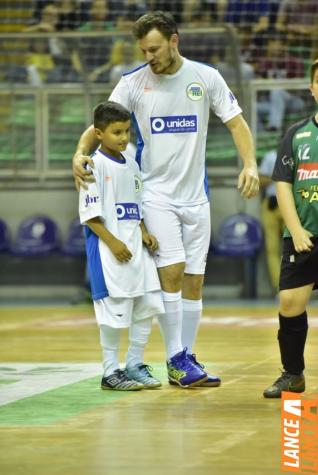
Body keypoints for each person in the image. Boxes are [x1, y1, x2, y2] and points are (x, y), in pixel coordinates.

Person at [73, 11, 259, 388]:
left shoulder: (206, 78)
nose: (149, 56)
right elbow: (100, 122)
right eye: (143, 50)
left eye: (154, 48)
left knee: (194, 280)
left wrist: (251, 164)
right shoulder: (133, 83)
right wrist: (79, 152)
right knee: (171, 274)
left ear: (175, 41)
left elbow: (237, 122)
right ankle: (175, 358)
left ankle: (184, 357)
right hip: (155, 195)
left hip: (196, 197)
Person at [78, 100, 167, 390]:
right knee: (114, 315)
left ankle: (134, 363)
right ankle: (109, 372)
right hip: (109, 253)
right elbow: (90, 218)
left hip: (136, 250)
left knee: (148, 305)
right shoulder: (92, 165)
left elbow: (136, 205)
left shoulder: (131, 162)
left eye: (127, 131)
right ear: (99, 134)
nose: (124, 137)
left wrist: (143, 231)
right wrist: (114, 243)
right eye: (116, 132)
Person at [263, 59, 318, 398]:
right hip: (304, 235)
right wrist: (296, 230)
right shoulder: (297, 135)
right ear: (312, 89)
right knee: (290, 303)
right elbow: (282, 185)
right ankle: (293, 374)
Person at [259, 149, 284, 292]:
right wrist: (278, 177)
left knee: (296, 248)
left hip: (293, 204)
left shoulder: (300, 154)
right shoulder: (270, 156)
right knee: (272, 249)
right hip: (271, 204)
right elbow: (261, 179)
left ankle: (297, 286)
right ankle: (279, 287)